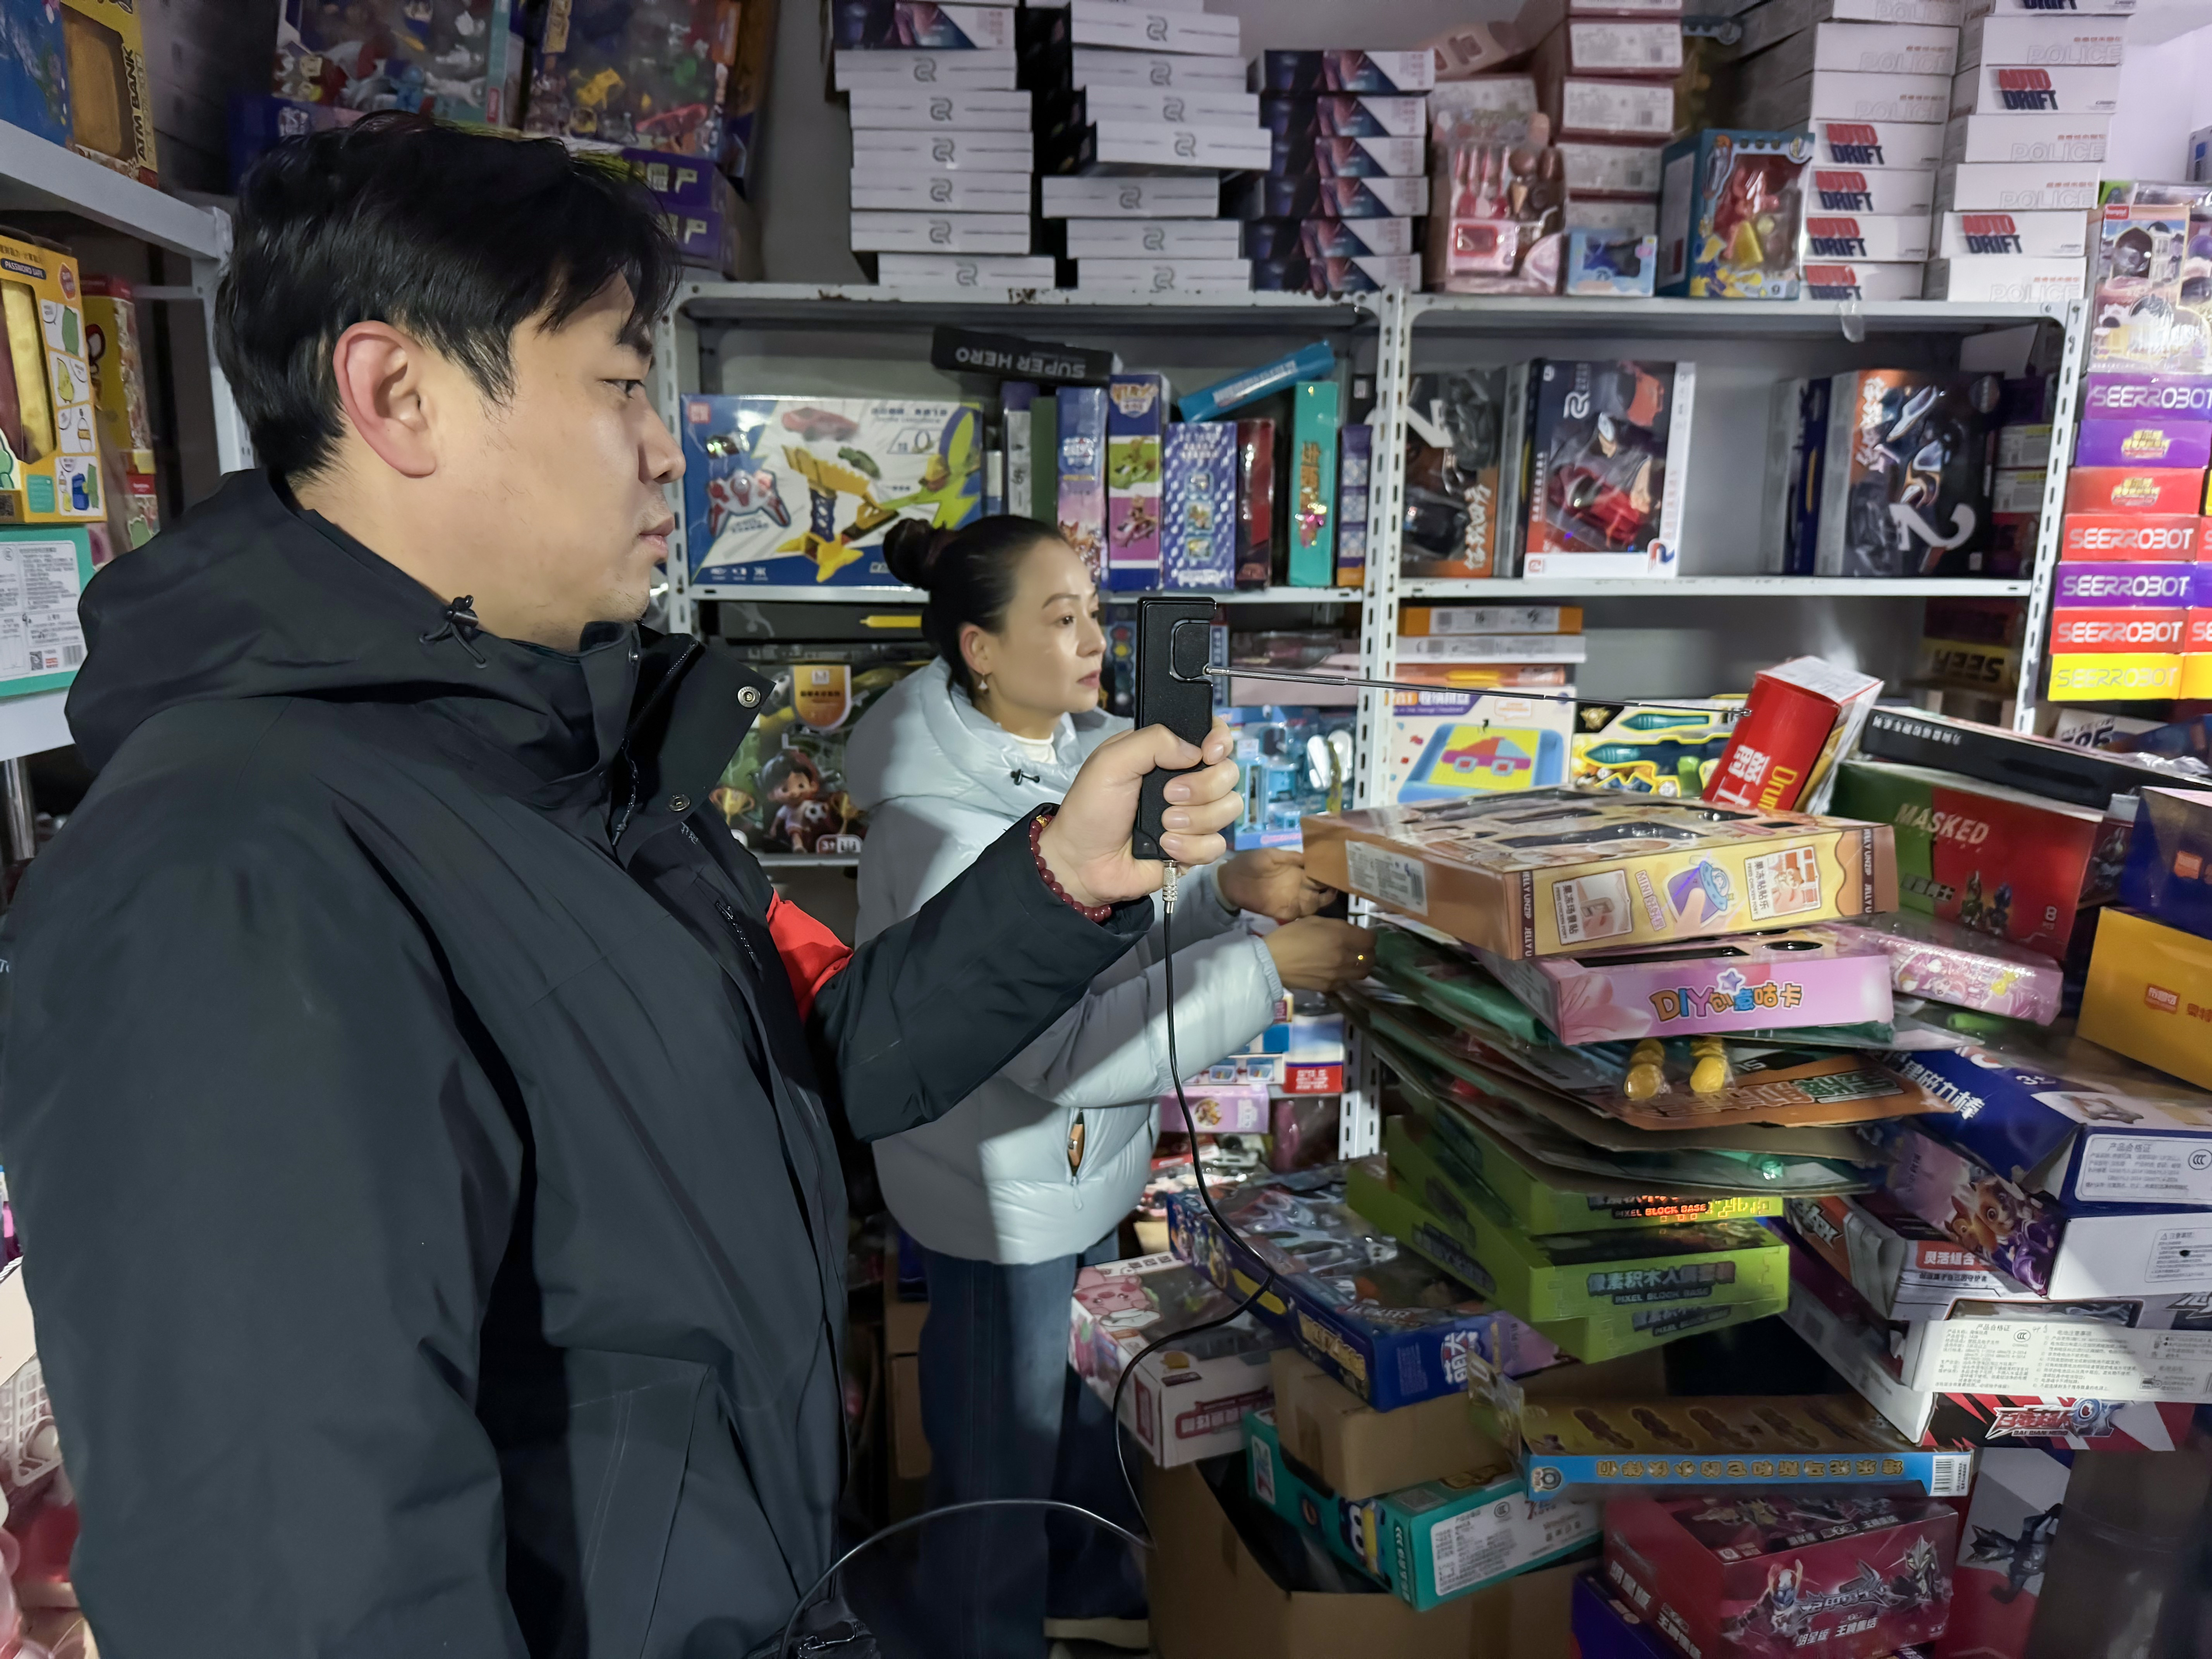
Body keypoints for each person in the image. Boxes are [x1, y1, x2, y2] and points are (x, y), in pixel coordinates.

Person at [0, 117, 1249, 1659]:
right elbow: (300, 1579)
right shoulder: (224, 872)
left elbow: (791, 1079)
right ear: (397, 394)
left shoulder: (570, 762)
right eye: (616, 383)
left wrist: (1060, 875)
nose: (669, 447)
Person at [844, 517, 1373, 1659]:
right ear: (981, 649)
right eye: (1061, 618)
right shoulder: (940, 824)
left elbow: (1107, 937)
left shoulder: (1080, 756)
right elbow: (1064, 1051)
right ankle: (980, 1637)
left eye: (1093, 611)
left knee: (1082, 1412)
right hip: (1003, 1193)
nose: (1095, 641)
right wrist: (1267, 971)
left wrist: (1226, 890)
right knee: (999, 1455)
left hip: (1081, 1168)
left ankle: (1086, 1594)